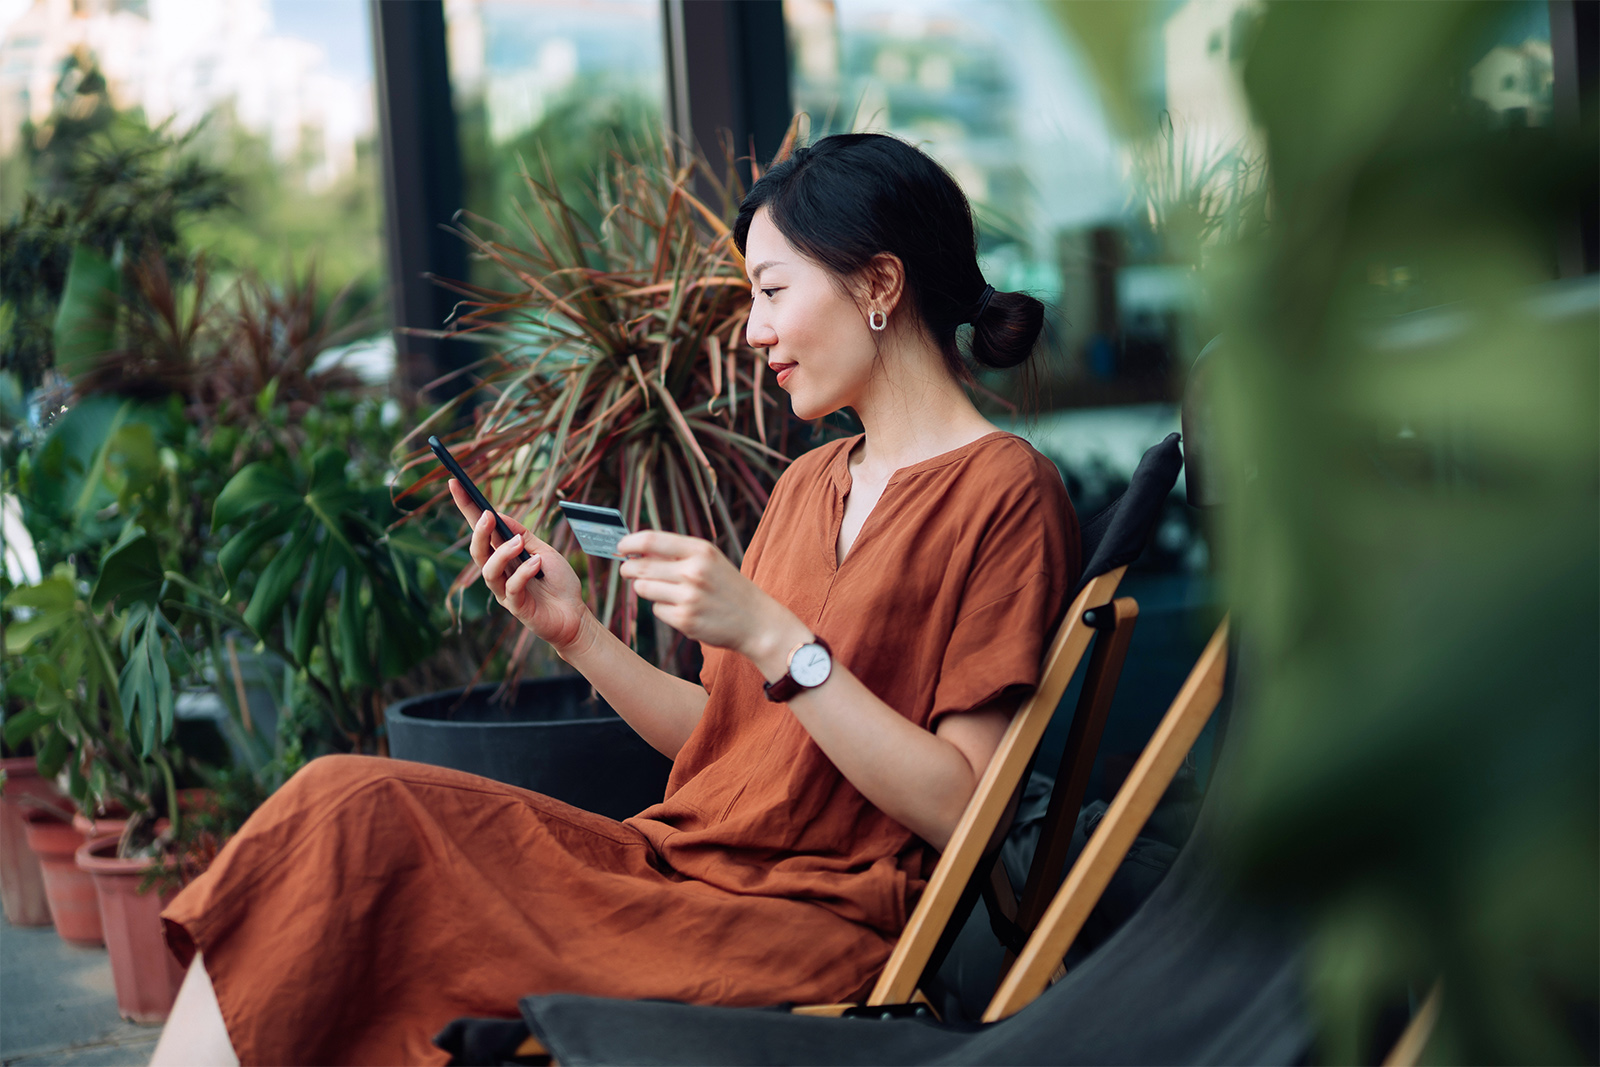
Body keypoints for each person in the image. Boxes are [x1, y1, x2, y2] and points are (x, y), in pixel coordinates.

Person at [150, 133, 1080, 1066]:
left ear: (879, 284)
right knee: (344, 804)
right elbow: (727, 741)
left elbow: (967, 808)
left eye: (771, 290)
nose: (753, 332)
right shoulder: (810, 482)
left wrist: (771, 634)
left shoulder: (1005, 490)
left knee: (366, 856)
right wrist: (578, 631)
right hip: (669, 867)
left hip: (799, 918)